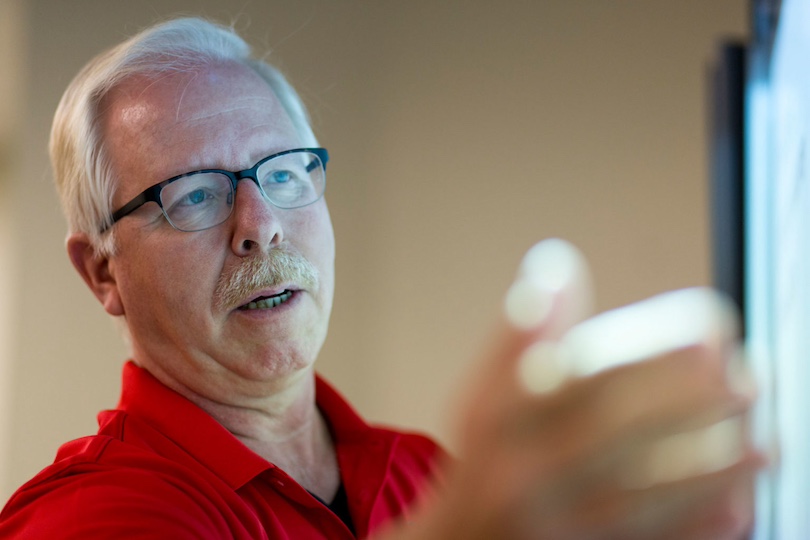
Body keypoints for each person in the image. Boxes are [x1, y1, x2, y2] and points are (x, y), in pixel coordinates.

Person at [0, 17, 763, 539]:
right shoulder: (89, 515)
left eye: (284, 173)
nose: (258, 223)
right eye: (195, 194)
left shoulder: (425, 473)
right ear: (102, 271)